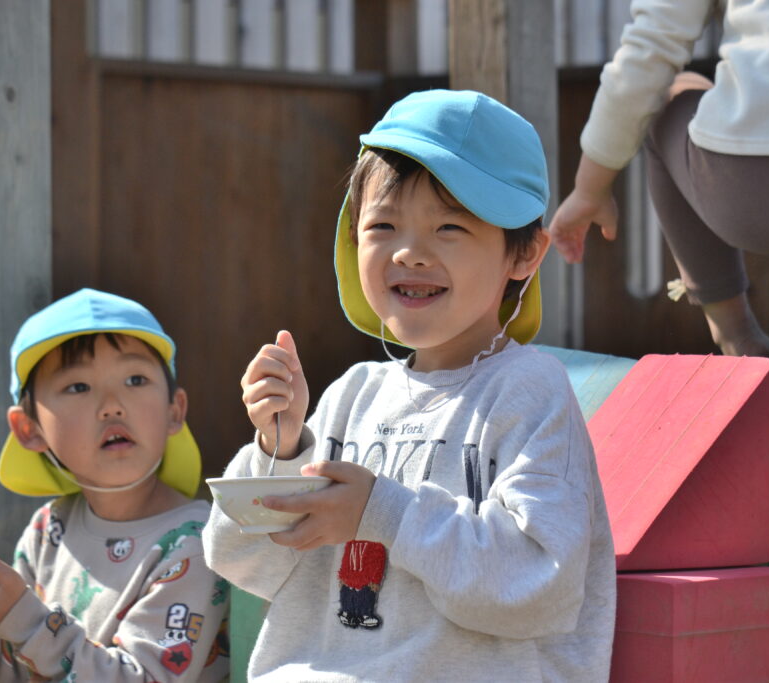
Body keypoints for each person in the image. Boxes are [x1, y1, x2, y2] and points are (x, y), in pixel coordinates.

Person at [203, 90, 616, 681]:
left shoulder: (528, 390)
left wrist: (386, 515)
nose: (409, 253)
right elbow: (243, 563)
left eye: (448, 226)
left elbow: (538, 583)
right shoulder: (352, 395)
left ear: (524, 253)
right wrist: (281, 450)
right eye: (383, 225)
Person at [548, 0, 769, 574]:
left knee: (669, 94)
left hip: (752, 181)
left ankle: (735, 332)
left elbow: (653, 46)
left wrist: (590, 186)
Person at [0, 288, 229, 682]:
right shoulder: (49, 529)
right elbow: (0, 675)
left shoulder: (196, 543)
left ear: (175, 411)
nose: (112, 405)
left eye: (135, 379)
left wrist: (25, 620)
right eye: (78, 387)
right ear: (29, 429)